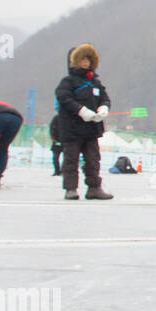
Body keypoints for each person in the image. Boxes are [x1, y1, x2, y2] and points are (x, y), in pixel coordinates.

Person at [54, 44, 114, 201]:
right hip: (72, 129)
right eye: (82, 59)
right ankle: (71, 189)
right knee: (71, 160)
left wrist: (103, 108)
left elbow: (105, 98)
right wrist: (81, 110)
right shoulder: (68, 81)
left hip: (91, 129)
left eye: (88, 59)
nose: (86, 62)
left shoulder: (95, 82)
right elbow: (63, 98)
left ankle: (94, 188)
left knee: (93, 159)